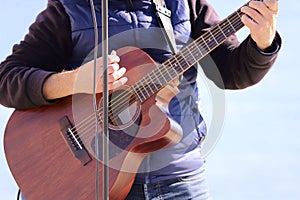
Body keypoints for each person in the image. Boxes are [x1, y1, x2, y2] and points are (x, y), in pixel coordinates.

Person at [0, 0, 281, 199]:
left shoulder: (184, 3)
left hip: (181, 182)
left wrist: (262, 44)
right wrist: (75, 80)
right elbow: (7, 79)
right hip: (95, 184)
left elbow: (231, 73)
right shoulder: (70, 9)